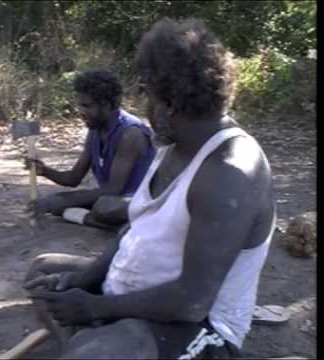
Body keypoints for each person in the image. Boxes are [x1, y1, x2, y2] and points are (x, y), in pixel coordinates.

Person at [23, 17, 275, 359]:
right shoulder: (172, 145)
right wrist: (86, 277)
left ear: (169, 102)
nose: (145, 106)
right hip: (138, 293)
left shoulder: (229, 171)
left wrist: (96, 307)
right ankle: (84, 342)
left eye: (148, 94)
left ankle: (90, 342)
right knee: (43, 273)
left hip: (199, 324)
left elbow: (191, 302)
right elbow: (136, 229)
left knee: (94, 350)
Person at [26, 69, 155, 229]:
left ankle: (102, 221)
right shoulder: (95, 130)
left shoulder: (131, 133)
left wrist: (60, 201)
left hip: (138, 202)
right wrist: (43, 170)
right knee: (58, 203)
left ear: (106, 104)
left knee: (103, 206)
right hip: (113, 201)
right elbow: (73, 179)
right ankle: (97, 221)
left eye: (87, 106)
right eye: (80, 106)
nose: (81, 112)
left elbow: (113, 190)